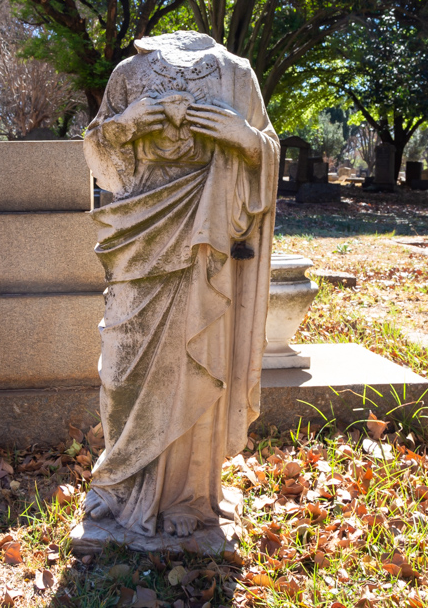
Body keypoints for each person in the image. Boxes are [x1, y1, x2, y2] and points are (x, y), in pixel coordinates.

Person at [82, 30, 279, 537]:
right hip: (139, 227)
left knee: (195, 357)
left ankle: (188, 497)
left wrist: (244, 140)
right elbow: (101, 160)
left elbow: (267, 149)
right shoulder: (127, 73)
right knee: (122, 362)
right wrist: (123, 128)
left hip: (204, 232)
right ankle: (118, 482)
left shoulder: (237, 73)